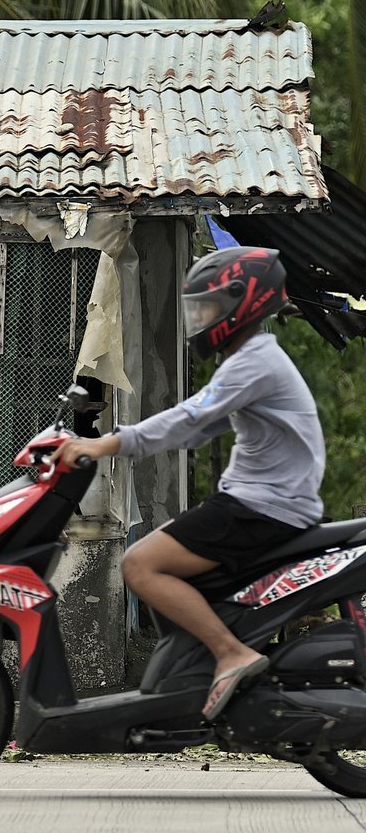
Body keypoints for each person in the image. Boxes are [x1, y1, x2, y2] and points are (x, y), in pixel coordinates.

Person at [54, 245, 324, 721]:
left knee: (140, 565)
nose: (201, 317)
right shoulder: (254, 360)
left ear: (246, 302)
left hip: (261, 507)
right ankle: (192, 672)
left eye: (212, 306)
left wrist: (106, 444)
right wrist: (132, 443)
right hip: (261, 502)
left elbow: (189, 417)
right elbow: (201, 427)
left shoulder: (255, 362)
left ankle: (230, 654)